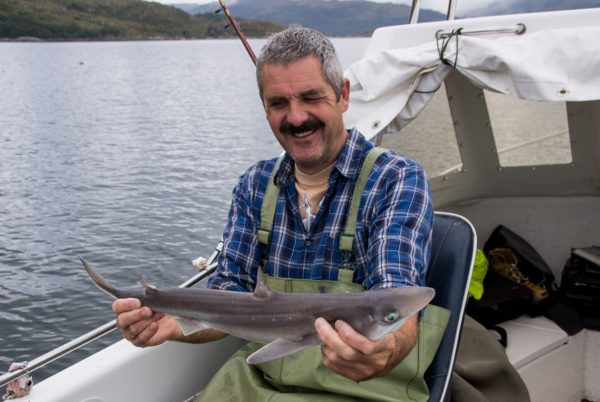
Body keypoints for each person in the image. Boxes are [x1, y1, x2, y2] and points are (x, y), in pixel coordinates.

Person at [112, 25, 447, 400]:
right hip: (261, 384)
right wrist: (176, 324)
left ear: (343, 95)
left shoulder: (395, 179)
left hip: (361, 391)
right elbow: (230, 293)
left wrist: (383, 350)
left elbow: (395, 295)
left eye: (311, 97)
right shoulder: (255, 185)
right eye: (278, 103)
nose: (297, 117)